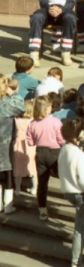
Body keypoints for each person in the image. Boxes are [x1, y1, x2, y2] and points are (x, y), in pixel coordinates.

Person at [60, 117, 84, 267]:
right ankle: (76, 262)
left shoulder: (64, 148)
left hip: (68, 190)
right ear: (81, 134)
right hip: (81, 194)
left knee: (81, 225)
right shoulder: (79, 155)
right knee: (80, 230)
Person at [27, 95, 63, 220]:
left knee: (42, 182)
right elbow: (61, 139)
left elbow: (30, 142)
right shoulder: (55, 122)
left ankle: (42, 210)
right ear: (48, 108)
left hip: (40, 153)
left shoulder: (32, 124)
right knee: (64, 176)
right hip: (55, 152)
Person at [0, 75, 24, 214]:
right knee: (7, 172)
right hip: (5, 141)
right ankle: (8, 205)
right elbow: (21, 107)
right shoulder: (8, 103)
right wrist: (14, 92)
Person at [13, 99, 34, 205]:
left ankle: (17, 189)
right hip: (30, 146)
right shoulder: (33, 121)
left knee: (18, 168)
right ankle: (34, 188)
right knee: (32, 168)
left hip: (18, 146)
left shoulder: (17, 120)